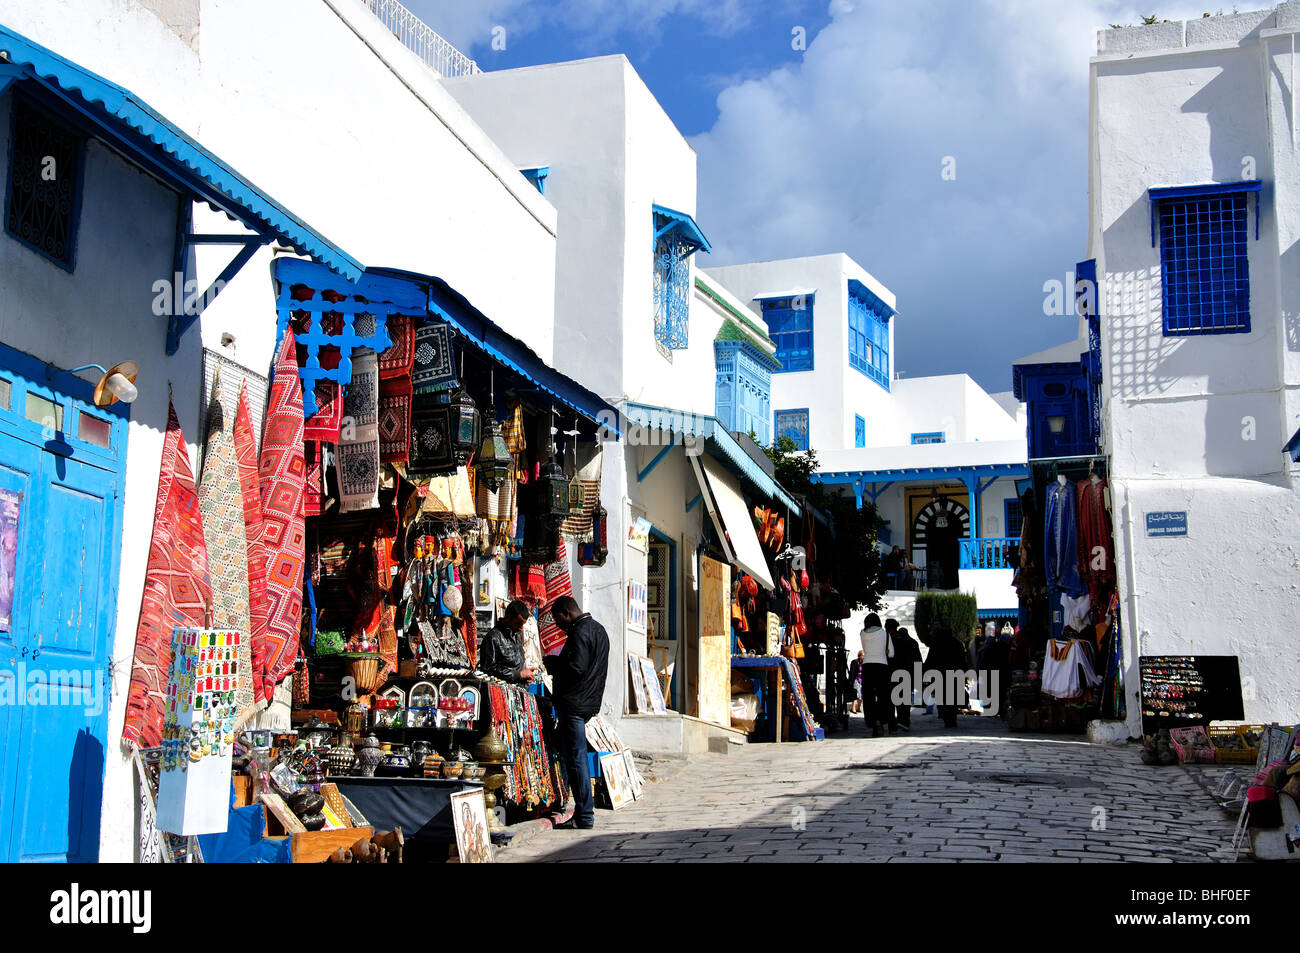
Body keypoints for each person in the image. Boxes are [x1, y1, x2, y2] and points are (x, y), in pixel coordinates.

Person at [545, 595, 610, 830]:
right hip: (588, 702)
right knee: (573, 755)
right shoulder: (599, 630)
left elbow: (576, 668)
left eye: (558, 620)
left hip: (575, 703)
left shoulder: (580, 632)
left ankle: (584, 814)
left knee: (577, 759)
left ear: (566, 613)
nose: (558, 626)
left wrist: (553, 664)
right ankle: (579, 810)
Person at [477, 600, 536, 685]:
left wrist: (526, 676)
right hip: (502, 691)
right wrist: (519, 675)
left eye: (522, 625)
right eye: (518, 624)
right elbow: (488, 669)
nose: (521, 628)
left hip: (518, 690)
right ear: (508, 618)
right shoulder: (493, 638)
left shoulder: (515, 636)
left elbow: (516, 665)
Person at [923, 623, 968, 729]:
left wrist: (925, 671)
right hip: (955, 674)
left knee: (942, 698)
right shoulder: (957, 643)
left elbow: (930, 660)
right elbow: (962, 660)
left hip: (940, 675)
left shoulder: (936, 644)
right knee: (952, 698)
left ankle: (946, 717)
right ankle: (952, 718)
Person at [859, 613, 894, 737]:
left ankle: (871, 721)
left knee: (868, 696)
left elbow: (865, 648)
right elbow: (891, 654)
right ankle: (882, 719)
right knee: (883, 695)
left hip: (868, 666)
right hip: (882, 666)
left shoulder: (862, 634)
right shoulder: (886, 635)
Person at [890, 625, 922, 730]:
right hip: (909, 674)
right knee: (906, 699)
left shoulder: (896, 643)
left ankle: (900, 719)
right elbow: (918, 660)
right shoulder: (913, 643)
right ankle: (905, 721)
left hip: (897, 674)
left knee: (898, 698)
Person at [847, 650, 865, 714]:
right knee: (855, 694)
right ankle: (853, 708)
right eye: (863, 655)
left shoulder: (865, 663)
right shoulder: (854, 662)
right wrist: (850, 681)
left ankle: (858, 708)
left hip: (862, 680)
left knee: (861, 695)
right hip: (856, 679)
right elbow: (852, 672)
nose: (864, 657)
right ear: (859, 655)